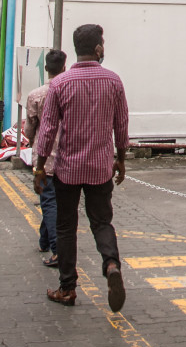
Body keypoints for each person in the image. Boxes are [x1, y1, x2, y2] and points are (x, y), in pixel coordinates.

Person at [34, 24, 129, 311]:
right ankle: (111, 263)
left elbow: (47, 129)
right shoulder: (113, 81)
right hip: (100, 168)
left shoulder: (61, 84)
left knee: (65, 228)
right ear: (98, 48)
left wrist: (40, 167)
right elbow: (121, 126)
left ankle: (68, 288)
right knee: (101, 222)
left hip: (67, 169)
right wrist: (121, 159)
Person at [23, 49, 69, 266]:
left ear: (46, 68)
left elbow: (29, 129)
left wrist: (33, 141)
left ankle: (57, 249)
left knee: (49, 200)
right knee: (52, 200)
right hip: (68, 155)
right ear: (64, 67)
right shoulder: (71, 91)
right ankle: (44, 240)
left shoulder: (36, 95)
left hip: (44, 157)